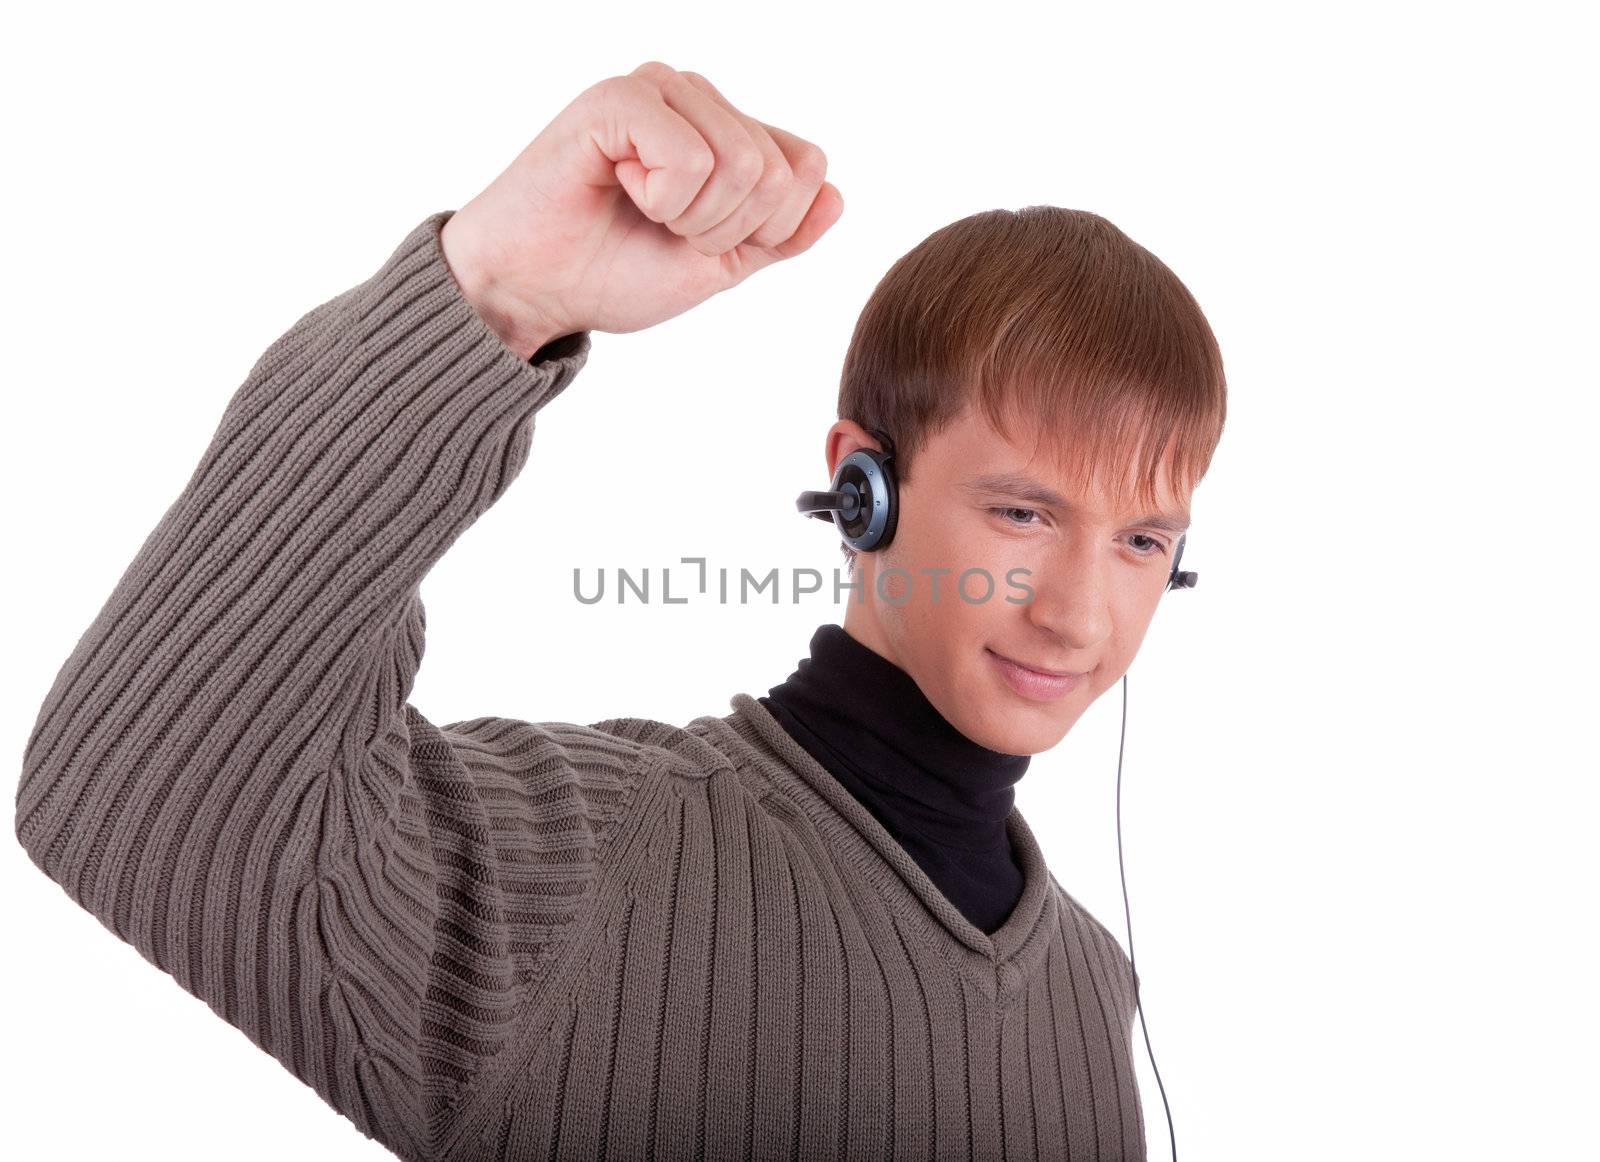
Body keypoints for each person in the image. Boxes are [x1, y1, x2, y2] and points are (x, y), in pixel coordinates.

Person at [14, 59, 1224, 1162]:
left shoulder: (1087, 987)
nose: (1079, 616)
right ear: (866, 489)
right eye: (1022, 514)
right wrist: (490, 298)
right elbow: (139, 789)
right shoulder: (586, 873)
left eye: (1139, 541)